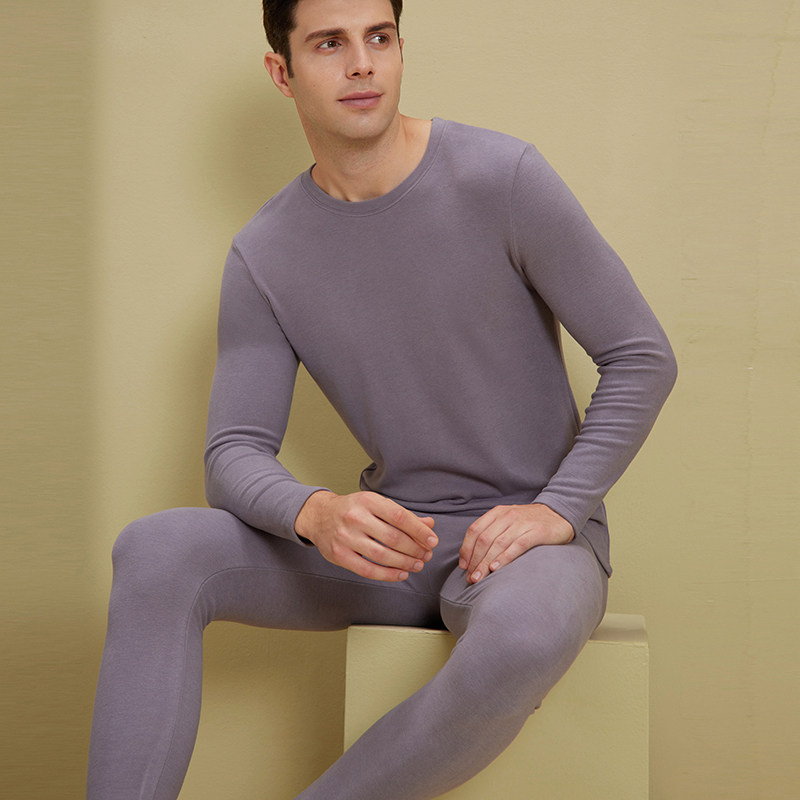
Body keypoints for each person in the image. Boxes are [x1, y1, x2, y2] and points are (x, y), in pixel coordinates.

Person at [86, 0, 677, 797]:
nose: (362, 62)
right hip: (392, 550)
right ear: (282, 73)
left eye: (380, 37)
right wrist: (315, 512)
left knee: (525, 634)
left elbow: (641, 356)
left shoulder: (501, 178)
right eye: (329, 43)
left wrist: (559, 509)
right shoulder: (265, 254)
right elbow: (232, 453)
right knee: (156, 551)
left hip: (531, 551)